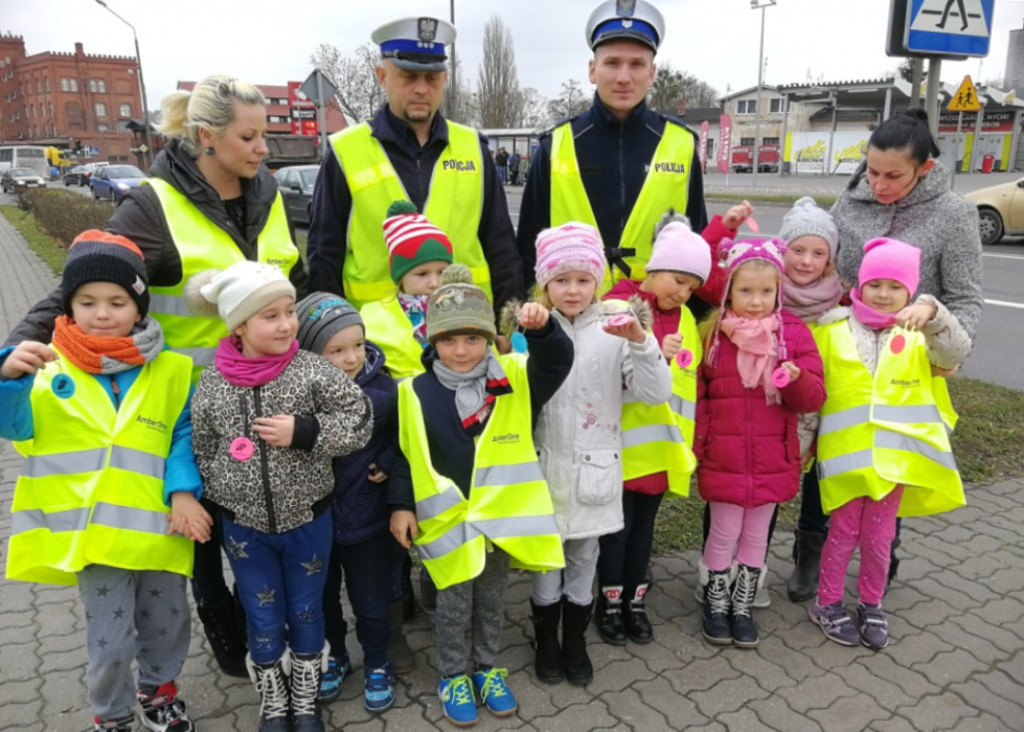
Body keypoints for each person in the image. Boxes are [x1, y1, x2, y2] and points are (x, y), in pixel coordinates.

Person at [2, 74, 307, 679]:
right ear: (207, 138)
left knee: (267, 530)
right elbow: (83, 284)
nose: (263, 148)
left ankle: (280, 643)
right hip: (184, 410)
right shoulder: (154, 204)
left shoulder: (266, 191)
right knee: (199, 541)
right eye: (250, 136)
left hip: (268, 399)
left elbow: (301, 274)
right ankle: (227, 643)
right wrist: (15, 347)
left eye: (264, 135)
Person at [1, 231, 209, 732]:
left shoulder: (172, 370)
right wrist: (7, 378)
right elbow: (16, 427)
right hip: (91, 538)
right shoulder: (46, 368)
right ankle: (111, 715)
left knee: (168, 623)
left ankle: (159, 692)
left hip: (158, 530)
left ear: (139, 307)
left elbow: (182, 435)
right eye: (87, 301)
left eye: (118, 301)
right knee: (109, 638)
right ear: (69, 306)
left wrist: (183, 492)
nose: (102, 312)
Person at [186, 261, 372, 732]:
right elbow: (203, 444)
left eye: (289, 311)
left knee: (308, 610)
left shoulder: (311, 371)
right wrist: (225, 493)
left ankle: (305, 699)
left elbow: (358, 419)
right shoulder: (212, 381)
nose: (287, 324)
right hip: (245, 528)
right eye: (271, 315)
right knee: (263, 614)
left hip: (309, 519)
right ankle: (274, 701)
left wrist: (305, 432)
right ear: (240, 325)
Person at [388, 264, 574, 727]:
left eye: (473, 339)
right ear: (432, 341)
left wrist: (545, 328)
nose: (461, 350)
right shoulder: (414, 391)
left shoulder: (514, 378)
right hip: (448, 523)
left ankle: (488, 669)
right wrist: (400, 505)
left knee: (492, 600)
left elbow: (557, 361)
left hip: (500, 521)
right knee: (452, 605)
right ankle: (453, 674)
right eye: (449, 340)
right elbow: (403, 453)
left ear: (490, 339)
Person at [816, 108, 983, 586]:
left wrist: (950, 348)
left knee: (891, 463)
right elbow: (823, 268)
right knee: (832, 458)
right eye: (871, 171)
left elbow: (966, 297)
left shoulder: (953, 214)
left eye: (894, 175)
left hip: (906, 368)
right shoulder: (850, 203)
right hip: (847, 354)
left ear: (924, 169)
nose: (879, 184)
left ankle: (879, 563)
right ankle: (813, 553)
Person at [808, 237, 969, 649]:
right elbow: (812, 394)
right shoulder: (832, 328)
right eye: (875, 283)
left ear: (909, 292)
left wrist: (932, 311)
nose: (883, 294)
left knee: (880, 540)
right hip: (844, 458)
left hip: (894, 461)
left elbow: (954, 353)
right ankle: (826, 603)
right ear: (860, 284)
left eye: (895, 287)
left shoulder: (921, 334)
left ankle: (871, 602)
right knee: (841, 534)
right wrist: (802, 443)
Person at [306, 16, 523, 320]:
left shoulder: (474, 148)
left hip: (467, 334)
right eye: (409, 76)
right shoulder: (345, 151)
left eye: (432, 78)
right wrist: (330, 336)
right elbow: (323, 256)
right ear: (382, 76)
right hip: (377, 341)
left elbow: (501, 246)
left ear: (444, 79)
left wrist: (508, 325)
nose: (422, 88)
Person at [529, 222, 671, 686]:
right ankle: (547, 641)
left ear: (599, 280)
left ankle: (575, 641)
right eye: (561, 279)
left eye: (584, 279)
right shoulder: (532, 327)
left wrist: (640, 341)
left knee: (584, 557)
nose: (573, 290)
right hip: (544, 466)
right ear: (545, 281)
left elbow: (655, 393)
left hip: (595, 469)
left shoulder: (616, 327)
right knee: (547, 560)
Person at [517, 0, 708, 294]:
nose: (623, 77)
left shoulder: (680, 144)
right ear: (592, 70)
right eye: (612, 63)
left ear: (652, 73)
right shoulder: (555, 145)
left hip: (657, 320)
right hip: (572, 318)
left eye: (636, 64)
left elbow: (699, 243)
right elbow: (529, 246)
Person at [694, 239, 825, 648]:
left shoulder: (793, 335)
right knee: (722, 531)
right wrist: (700, 447)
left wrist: (795, 378)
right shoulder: (714, 336)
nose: (756, 302)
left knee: (755, 536)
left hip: (772, 455)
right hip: (724, 454)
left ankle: (743, 601)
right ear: (729, 290)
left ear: (779, 292)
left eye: (766, 292)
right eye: (746, 291)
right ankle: (715, 600)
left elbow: (814, 397)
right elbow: (698, 396)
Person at [595, 211, 712, 646]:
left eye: (692, 287)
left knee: (645, 529)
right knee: (616, 529)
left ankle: (634, 599)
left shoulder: (686, 322)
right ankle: (607, 601)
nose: (683, 293)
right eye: (678, 280)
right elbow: (602, 373)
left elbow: (692, 385)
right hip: (621, 448)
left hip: (663, 451)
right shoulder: (617, 306)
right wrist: (652, 355)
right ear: (654, 268)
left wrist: (692, 443)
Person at [295, 292, 405, 712]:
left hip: (367, 518)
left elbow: (403, 437)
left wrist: (388, 461)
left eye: (357, 345)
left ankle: (377, 661)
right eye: (335, 350)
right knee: (323, 600)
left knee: (371, 599)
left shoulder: (383, 388)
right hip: (315, 521)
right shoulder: (298, 393)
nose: (351, 357)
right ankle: (335, 656)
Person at [769, 197, 845, 602]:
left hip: (825, 407)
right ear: (782, 249)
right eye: (797, 250)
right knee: (766, 483)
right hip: (774, 408)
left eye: (818, 253)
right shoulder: (764, 290)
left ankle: (809, 552)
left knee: (820, 479)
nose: (805, 261)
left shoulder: (841, 304)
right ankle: (751, 556)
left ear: (830, 259)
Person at [359, 200, 454, 380]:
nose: (434, 283)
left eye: (442, 272)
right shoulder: (373, 319)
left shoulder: (465, 307)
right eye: (422, 274)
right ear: (400, 276)